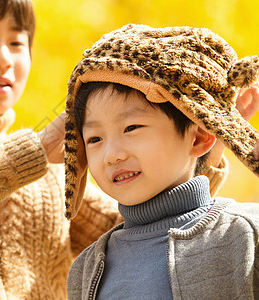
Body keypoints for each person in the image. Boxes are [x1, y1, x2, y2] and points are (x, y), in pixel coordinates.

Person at [0, 1, 241, 298]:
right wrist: (36, 151)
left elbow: (145, 225)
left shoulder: (55, 174)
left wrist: (205, 145)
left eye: (16, 42)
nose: (2, 57)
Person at [63, 24, 259, 299]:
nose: (112, 155)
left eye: (131, 128)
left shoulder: (244, 232)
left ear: (199, 137)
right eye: (94, 139)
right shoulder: (86, 269)